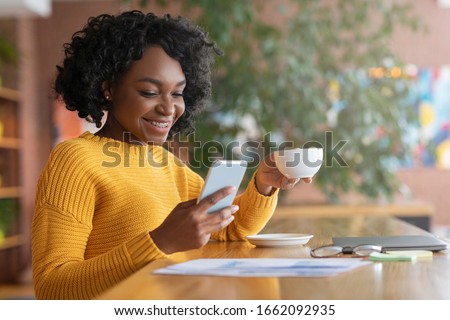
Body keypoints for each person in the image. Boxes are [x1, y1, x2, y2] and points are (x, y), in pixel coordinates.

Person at [32, 10, 311, 300]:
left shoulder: (165, 164)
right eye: (150, 92)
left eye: (177, 93)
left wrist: (264, 185)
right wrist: (160, 242)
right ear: (108, 89)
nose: (169, 108)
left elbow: (229, 230)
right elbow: (52, 288)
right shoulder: (75, 160)